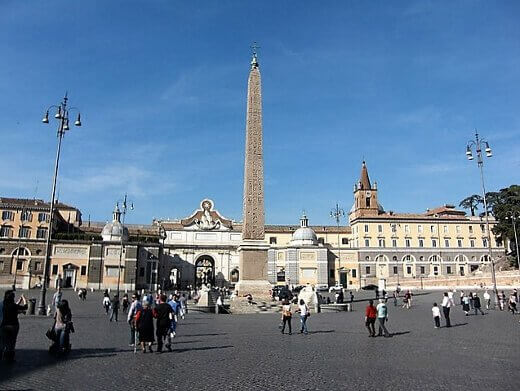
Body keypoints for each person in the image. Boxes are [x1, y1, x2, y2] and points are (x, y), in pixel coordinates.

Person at [1, 290, 27, 362]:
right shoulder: (14, 306)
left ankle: (3, 354)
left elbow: (14, 306)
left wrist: (19, 300)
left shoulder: (3, 304)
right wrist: (24, 299)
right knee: (12, 342)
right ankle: (9, 357)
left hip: (4, 325)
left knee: (4, 341)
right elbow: (25, 307)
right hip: (13, 326)